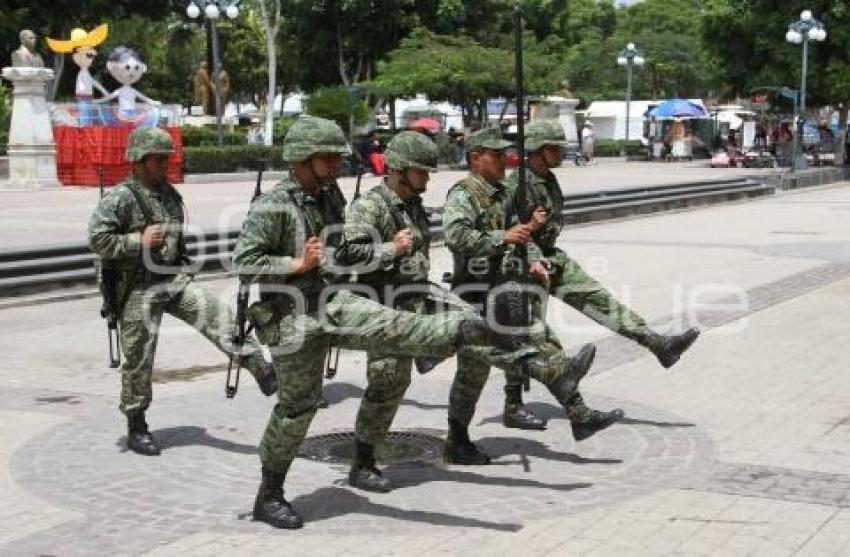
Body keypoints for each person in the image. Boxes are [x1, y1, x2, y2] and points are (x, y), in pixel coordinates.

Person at [232, 116, 539, 529]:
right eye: (328, 158)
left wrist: (372, 257)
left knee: (390, 324)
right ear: (305, 158)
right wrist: (296, 263)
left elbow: (341, 254)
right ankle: (269, 495)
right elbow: (244, 262)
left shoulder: (328, 198)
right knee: (297, 408)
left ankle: (465, 330)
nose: (337, 165)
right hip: (291, 315)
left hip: (332, 300)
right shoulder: (274, 205)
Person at [336, 131, 598, 492]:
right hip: (384, 307)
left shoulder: (411, 203)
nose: (428, 179)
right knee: (388, 386)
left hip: (420, 297)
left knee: (479, 331)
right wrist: (390, 250)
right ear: (399, 170)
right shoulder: (370, 207)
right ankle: (362, 464)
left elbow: (516, 234)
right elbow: (346, 257)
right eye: (422, 172)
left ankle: (549, 372)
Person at [88, 128, 278, 457]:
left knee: (217, 314)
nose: (165, 164)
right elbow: (98, 240)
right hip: (137, 286)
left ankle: (259, 367)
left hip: (172, 279)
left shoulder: (170, 194)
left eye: (167, 158)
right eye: (159, 159)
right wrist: (138, 241)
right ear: (139, 160)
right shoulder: (119, 198)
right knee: (139, 356)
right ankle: (136, 423)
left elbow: (179, 242)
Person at [499, 120, 700, 429]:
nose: (561, 154)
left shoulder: (548, 179)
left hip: (552, 259)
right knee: (530, 336)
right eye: (555, 149)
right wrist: (534, 251)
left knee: (598, 300)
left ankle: (656, 343)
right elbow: (512, 232)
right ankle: (516, 403)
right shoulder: (517, 185)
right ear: (537, 152)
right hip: (524, 264)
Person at [443, 127, 614, 440]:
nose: (504, 161)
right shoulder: (463, 194)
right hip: (475, 293)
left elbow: (520, 233)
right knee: (472, 374)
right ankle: (457, 439)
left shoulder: (504, 193)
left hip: (506, 291)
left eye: (505, 155)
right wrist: (501, 238)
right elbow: (455, 236)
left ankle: (579, 413)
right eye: (496, 155)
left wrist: (533, 256)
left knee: (541, 340)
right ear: (475, 158)